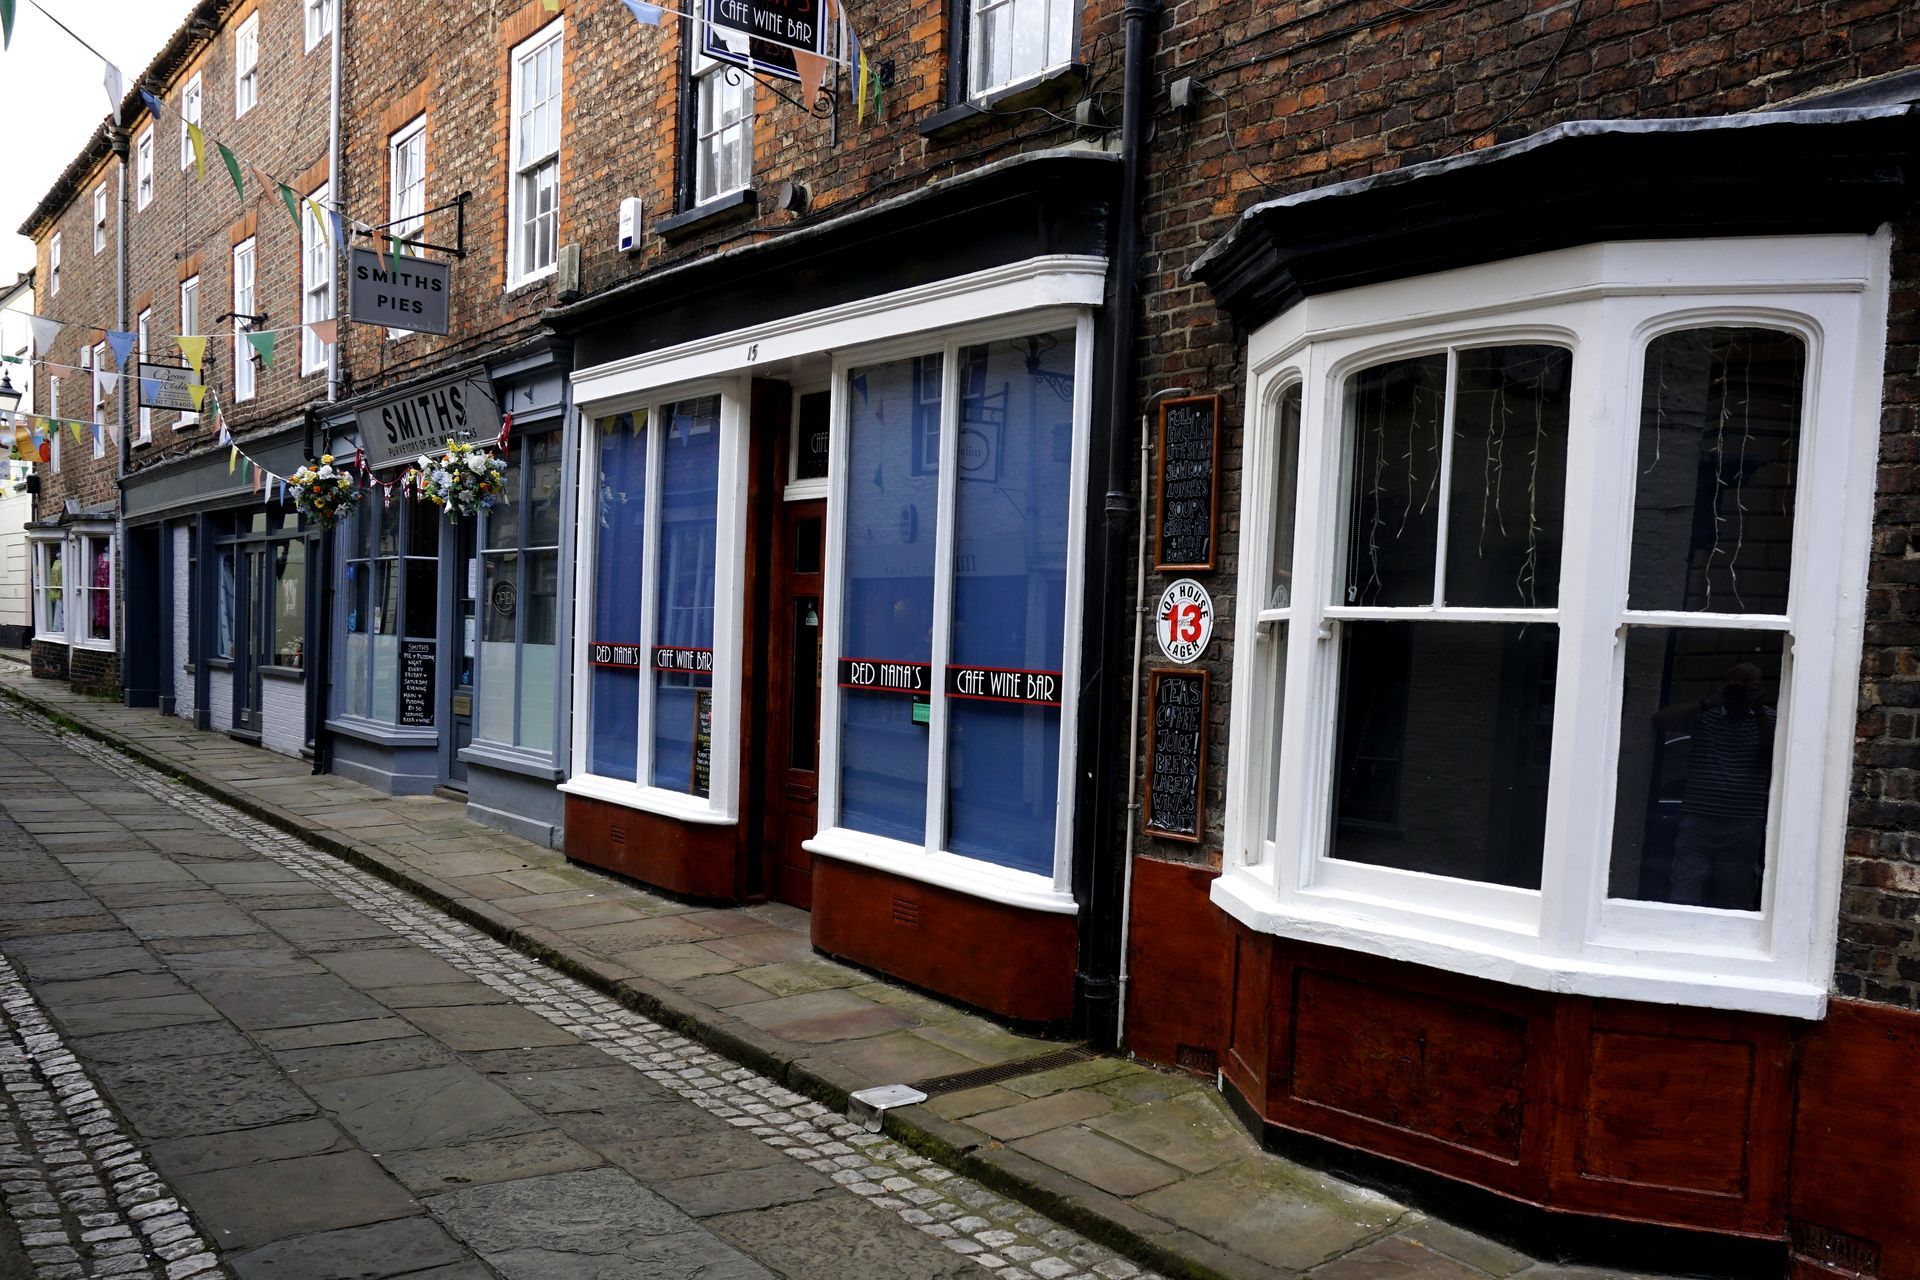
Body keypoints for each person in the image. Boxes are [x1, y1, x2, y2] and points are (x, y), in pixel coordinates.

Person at [1651, 662, 1775, 910]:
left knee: (1735, 893)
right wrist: (1709, 702)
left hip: (1742, 822)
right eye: (1734, 685)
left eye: (1746, 686)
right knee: (1684, 888)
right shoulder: (1705, 716)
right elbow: (1660, 720)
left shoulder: (1767, 718)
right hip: (1698, 819)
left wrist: (1758, 707)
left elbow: (1773, 749)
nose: (1739, 692)